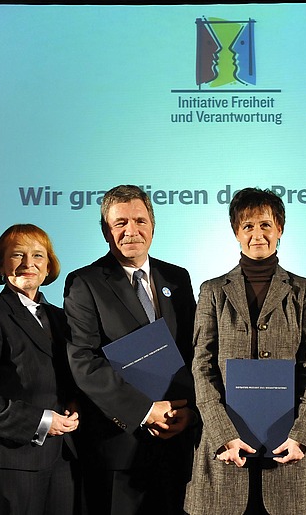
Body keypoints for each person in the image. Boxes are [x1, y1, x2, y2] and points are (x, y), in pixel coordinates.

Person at [184, 187, 306, 515]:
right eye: (248, 226)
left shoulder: (304, 290)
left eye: (266, 225)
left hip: (290, 448)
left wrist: (302, 435)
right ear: (236, 232)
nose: (257, 234)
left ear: (279, 229)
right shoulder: (212, 291)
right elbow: (202, 366)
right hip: (226, 451)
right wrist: (222, 434)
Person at [63, 184, 197, 514]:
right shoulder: (84, 282)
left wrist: (190, 411)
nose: (131, 231)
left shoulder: (177, 278)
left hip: (177, 444)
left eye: (139, 221)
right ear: (105, 232)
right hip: (119, 450)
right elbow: (84, 362)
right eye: (120, 223)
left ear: (153, 225)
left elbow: (192, 350)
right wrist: (145, 411)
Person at [0, 224, 81, 514]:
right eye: (17, 255)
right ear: (0, 265)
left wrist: (75, 404)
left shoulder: (62, 318)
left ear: (49, 266)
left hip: (62, 462)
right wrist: (40, 421)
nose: (29, 263)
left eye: (38, 255)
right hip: (9, 467)